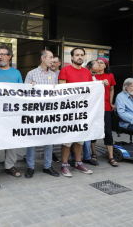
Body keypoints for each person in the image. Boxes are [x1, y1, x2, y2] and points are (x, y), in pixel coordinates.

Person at [58, 47, 93, 177]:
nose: (80, 57)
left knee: (80, 138)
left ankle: (78, 163)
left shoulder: (86, 72)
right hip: (69, 109)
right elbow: (61, 90)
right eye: (77, 55)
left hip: (82, 110)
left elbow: (91, 89)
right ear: (71, 57)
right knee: (67, 139)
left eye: (82, 55)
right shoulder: (65, 70)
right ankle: (64, 165)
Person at [24, 50, 60, 178]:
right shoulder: (31, 74)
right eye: (50, 57)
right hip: (34, 113)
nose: (52, 60)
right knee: (32, 140)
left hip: (49, 113)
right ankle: (30, 166)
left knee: (49, 140)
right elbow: (24, 94)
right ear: (43, 58)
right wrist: (29, 87)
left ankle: (47, 166)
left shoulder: (53, 75)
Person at [0, 45, 23, 180]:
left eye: (3, 54)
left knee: (12, 140)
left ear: (9, 57)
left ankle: (10, 166)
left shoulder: (17, 73)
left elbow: (22, 93)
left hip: (12, 112)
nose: (0, 57)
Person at [91, 57, 118, 167]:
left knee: (107, 131)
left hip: (106, 106)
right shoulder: (92, 75)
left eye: (101, 63)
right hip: (94, 106)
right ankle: (93, 154)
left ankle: (111, 156)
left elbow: (112, 89)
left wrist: (111, 102)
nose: (99, 64)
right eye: (97, 63)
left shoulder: (110, 76)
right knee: (93, 129)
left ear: (105, 65)